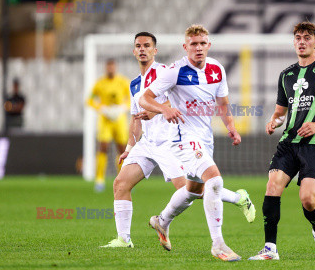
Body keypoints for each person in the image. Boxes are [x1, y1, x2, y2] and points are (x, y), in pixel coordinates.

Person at [101, 32, 255, 249]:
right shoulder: (135, 84)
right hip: (147, 143)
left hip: (170, 141)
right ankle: (124, 239)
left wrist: (159, 111)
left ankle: (238, 198)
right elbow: (136, 118)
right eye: (138, 46)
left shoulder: (166, 72)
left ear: (155, 51)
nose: (142, 49)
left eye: (147, 45)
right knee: (120, 183)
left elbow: (174, 103)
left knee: (191, 190)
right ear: (133, 51)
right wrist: (129, 147)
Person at [139, 25, 252, 261]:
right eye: (193, 44)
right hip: (182, 138)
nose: (198, 48)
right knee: (215, 180)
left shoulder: (217, 69)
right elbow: (145, 98)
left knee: (193, 191)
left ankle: (161, 221)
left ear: (208, 45)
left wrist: (231, 127)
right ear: (185, 47)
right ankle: (218, 244)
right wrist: (164, 109)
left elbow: (222, 103)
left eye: (202, 43)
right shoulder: (174, 71)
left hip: (204, 138)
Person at [249, 22, 315, 261]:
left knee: (307, 198)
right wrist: (274, 121)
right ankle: (270, 249)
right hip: (288, 142)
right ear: (293, 42)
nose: (302, 41)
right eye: (298, 37)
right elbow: (281, 112)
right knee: (272, 186)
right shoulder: (287, 75)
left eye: (307, 37)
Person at [87, 59, 130, 192]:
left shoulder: (123, 82)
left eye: (112, 67)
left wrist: (123, 108)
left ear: (115, 68)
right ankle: (99, 179)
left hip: (119, 119)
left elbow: (130, 98)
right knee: (103, 147)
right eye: (108, 67)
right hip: (105, 119)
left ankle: (123, 179)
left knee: (122, 149)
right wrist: (102, 108)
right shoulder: (99, 83)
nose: (110, 69)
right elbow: (90, 100)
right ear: (106, 68)